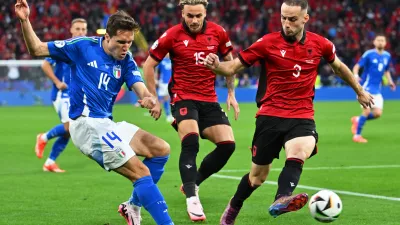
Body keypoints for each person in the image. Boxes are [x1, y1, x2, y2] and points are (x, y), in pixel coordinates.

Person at [203, 0, 373, 224]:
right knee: (257, 177)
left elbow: (339, 67)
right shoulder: (267, 43)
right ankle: (234, 207)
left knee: (301, 149)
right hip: (270, 116)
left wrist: (359, 91)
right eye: (283, 18)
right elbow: (232, 67)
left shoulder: (321, 44)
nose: (286, 24)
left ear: (305, 18)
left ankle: (281, 198)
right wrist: (215, 65)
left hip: (302, 115)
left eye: (292, 19)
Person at [15, 1, 174, 225]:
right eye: (121, 42)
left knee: (160, 149)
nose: (126, 47)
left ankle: (131, 207)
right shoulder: (81, 46)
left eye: (129, 42)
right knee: (142, 174)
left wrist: (148, 97)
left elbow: (139, 86)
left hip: (107, 123)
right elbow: (37, 49)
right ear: (107, 37)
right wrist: (25, 20)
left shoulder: (126, 59)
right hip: (87, 125)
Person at [143, 0, 240, 221]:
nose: (194, 20)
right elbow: (149, 65)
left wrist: (231, 93)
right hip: (183, 97)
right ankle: (192, 199)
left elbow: (229, 62)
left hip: (209, 99)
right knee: (191, 141)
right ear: (182, 13)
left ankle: (193, 183)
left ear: (205, 13)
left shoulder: (219, 33)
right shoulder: (172, 35)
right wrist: (154, 98)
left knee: (227, 145)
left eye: (198, 15)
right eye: (189, 16)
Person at [35, 18, 87, 173]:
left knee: (70, 131)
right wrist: (57, 82)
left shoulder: (86, 48)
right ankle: (43, 137)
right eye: (77, 29)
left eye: (83, 29)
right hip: (62, 94)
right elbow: (45, 64)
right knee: (70, 126)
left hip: (76, 95)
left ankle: (50, 163)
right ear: (71, 30)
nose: (81, 32)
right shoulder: (63, 46)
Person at [351, 34, 396, 143]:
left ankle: (358, 120)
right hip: (366, 88)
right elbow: (357, 66)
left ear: (385, 43)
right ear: (374, 42)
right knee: (366, 111)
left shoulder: (387, 55)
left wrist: (390, 82)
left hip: (377, 90)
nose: (380, 42)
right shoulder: (369, 54)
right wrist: (356, 76)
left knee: (377, 114)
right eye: (378, 40)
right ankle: (357, 135)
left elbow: (386, 70)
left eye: (382, 40)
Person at [157, 54, 174, 122]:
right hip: (163, 82)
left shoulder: (172, 60)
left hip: (172, 81)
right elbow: (156, 70)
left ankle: (170, 114)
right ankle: (168, 114)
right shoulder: (162, 61)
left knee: (170, 98)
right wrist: (155, 79)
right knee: (166, 97)